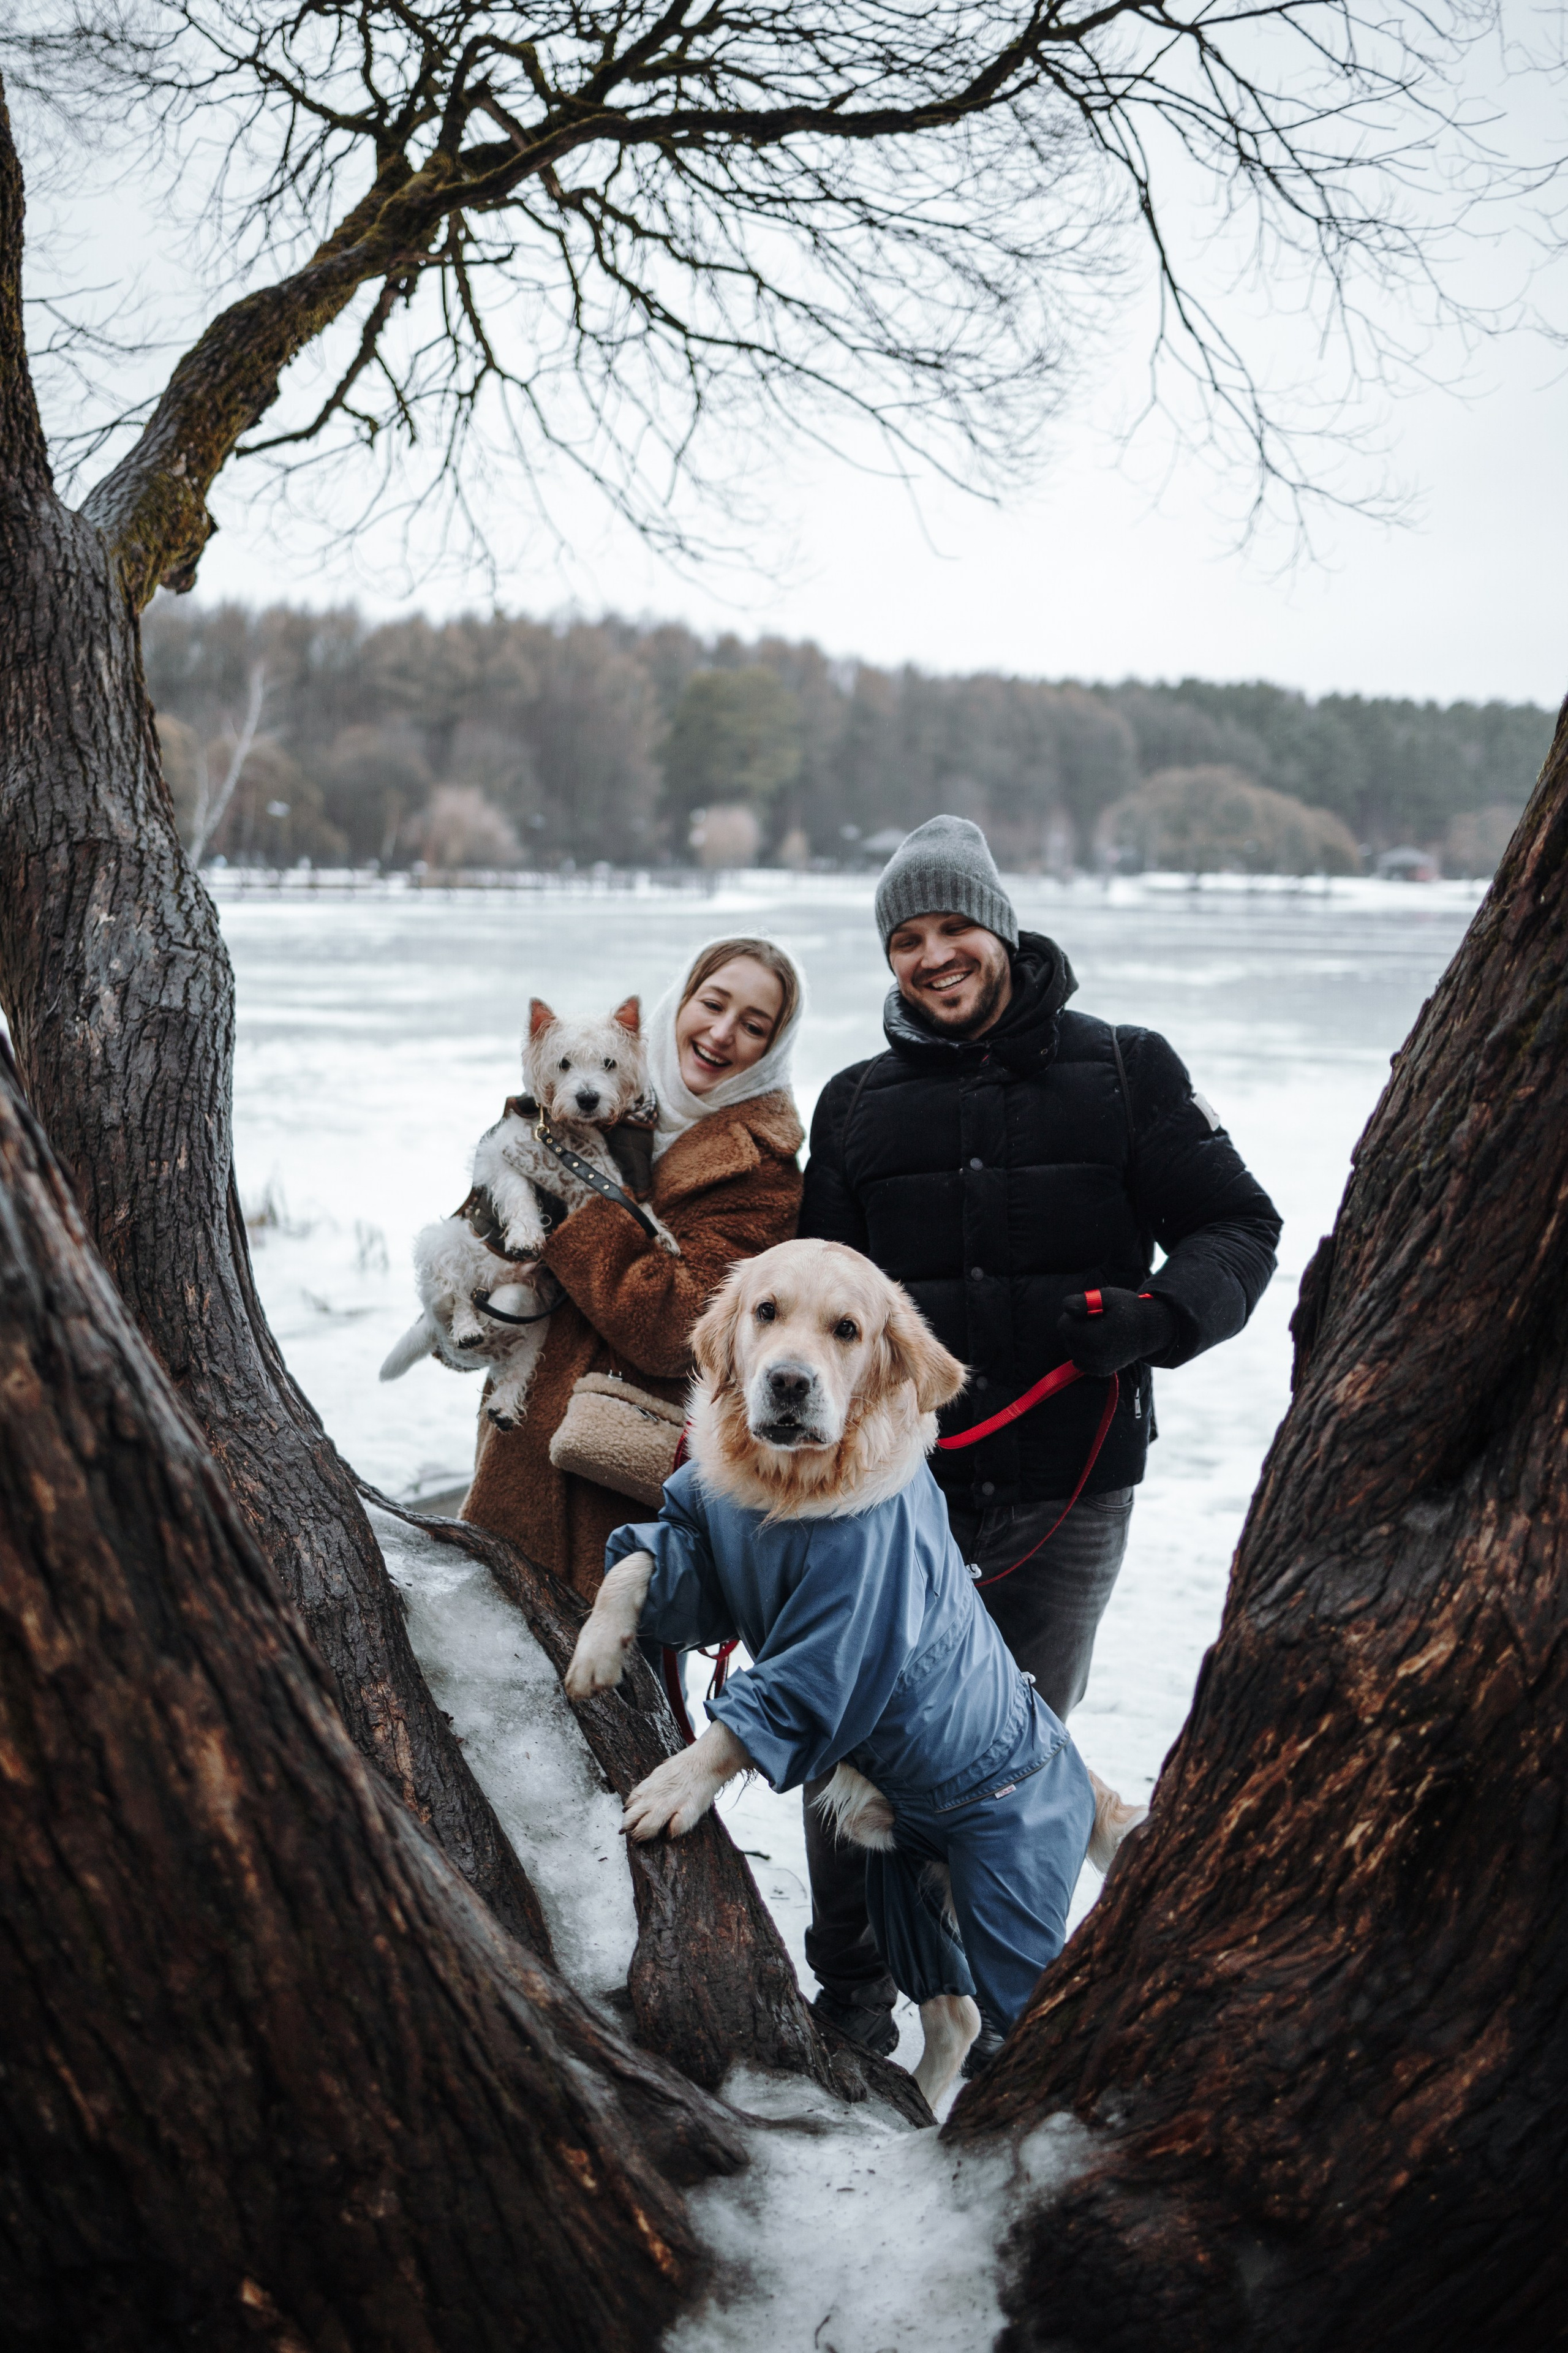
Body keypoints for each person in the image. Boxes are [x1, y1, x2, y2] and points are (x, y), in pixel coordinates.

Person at [797, 814, 1283, 2061]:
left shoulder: (1125, 1069)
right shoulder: (853, 1105)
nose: (931, 956)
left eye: (953, 927)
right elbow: (808, 1295)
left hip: (1067, 1485)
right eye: (905, 938)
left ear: (999, 927)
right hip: (889, 1495)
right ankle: (848, 2006)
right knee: (846, 1736)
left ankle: (1002, 2015)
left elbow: (1237, 1224)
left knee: (1009, 1756)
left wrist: (1159, 1317)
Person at [462, 937, 806, 1596]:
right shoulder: (596, 1087)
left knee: (602, 1684)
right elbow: (492, 1249)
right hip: (516, 1451)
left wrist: (572, 1199)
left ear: (772, 1048)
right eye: (712, 1003)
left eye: (754, 1025)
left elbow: (678, 1327)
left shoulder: (764, 1173)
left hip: (616, 1495)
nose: (722, 1032)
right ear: (680, 1002)